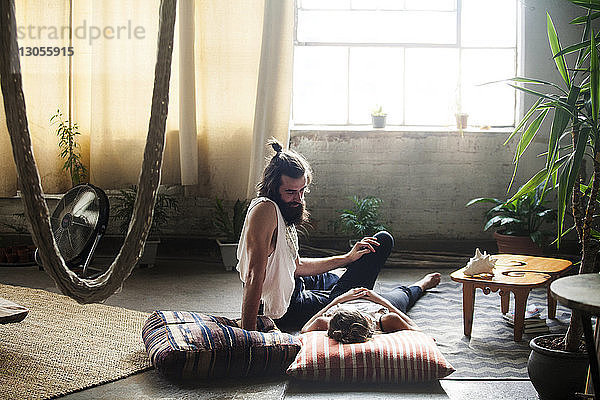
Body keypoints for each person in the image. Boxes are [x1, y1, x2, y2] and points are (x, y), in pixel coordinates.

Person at [237, 139, 440, 331]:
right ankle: (418, 286)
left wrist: (347, 258)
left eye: (302, 191)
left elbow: (296, 266)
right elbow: (254, 273)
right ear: (273, 188)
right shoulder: (265, 210)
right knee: (374, 276)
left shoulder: (280, 208)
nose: (298, 199)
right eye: (290, 192)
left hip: (295, 284)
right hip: (288, 308)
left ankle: (342, 278)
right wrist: (247, 334)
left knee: (348, 272)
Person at [301, 273, 441, 343]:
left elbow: (304, 330)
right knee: (405, 294)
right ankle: (423, 283)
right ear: (368, 320)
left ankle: (336, 275)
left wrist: (339, 300)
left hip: (345, 298)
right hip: (377, 304)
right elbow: (419, 332)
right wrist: (379, 300)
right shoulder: (385, 320)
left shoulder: (327, 322)